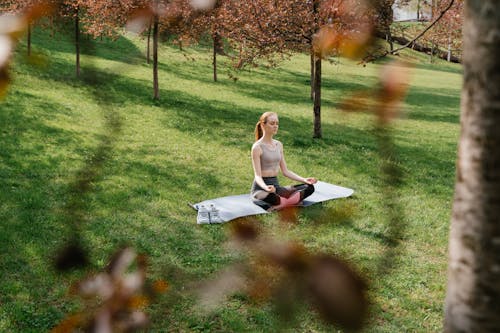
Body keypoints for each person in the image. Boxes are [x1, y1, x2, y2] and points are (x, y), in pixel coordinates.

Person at [251, 112, 317, 211]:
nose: (275, 126)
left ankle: (282, 204)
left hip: (276, 188)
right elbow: (257, 176)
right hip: (261, 189)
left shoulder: (279, 145)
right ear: (263, 125)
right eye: (272, 123)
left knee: (309, 187)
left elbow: (285, 171)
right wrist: (265, 187)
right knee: (272, 197)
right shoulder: (257, 147)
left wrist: (304, 179)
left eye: (277, 123)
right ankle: (291, 202)